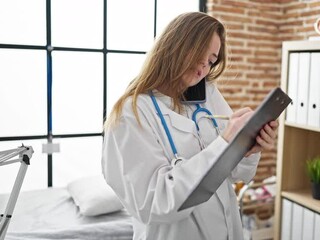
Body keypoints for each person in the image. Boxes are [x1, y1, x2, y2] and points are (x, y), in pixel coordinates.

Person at [102, 12, 278, 240]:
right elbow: (155, 203)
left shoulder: (207, 95)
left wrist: (248, 149)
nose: (205, 66)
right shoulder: (130, 113)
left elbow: (237, 174)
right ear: (174, 45)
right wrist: (225, 142)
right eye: (200, 53)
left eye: (212, 60)